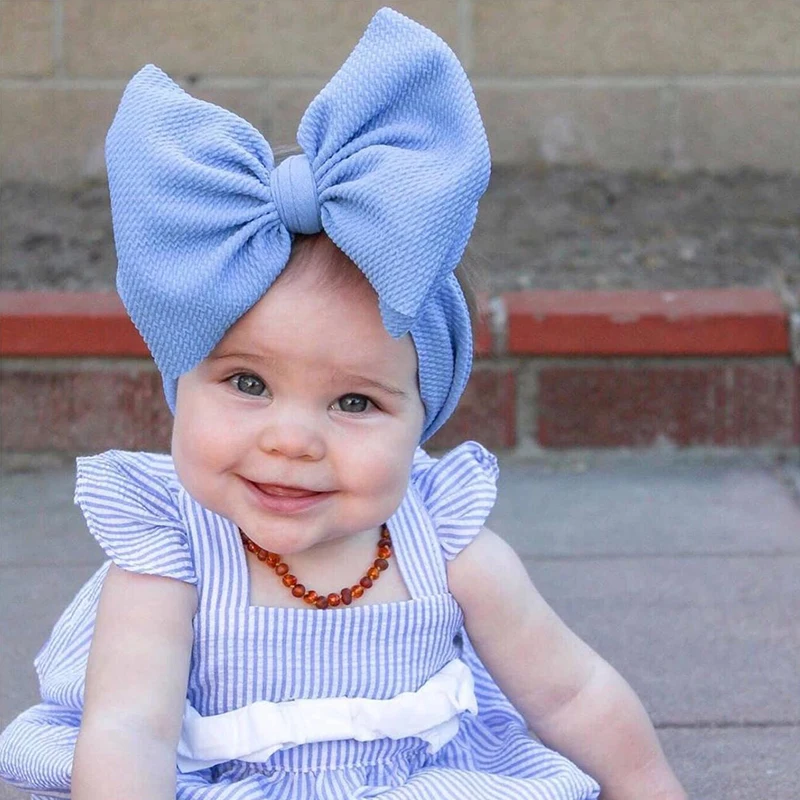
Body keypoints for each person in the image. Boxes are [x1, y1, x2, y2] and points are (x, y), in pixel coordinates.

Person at [0, 8, 686, 800]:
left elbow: (571, 693)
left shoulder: (447, 546)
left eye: (355, 400)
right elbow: (129, 731)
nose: (292, 440)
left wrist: (650, 788)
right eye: (248, 384)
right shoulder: (169, 558)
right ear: (179, 382)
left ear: (422, 420)